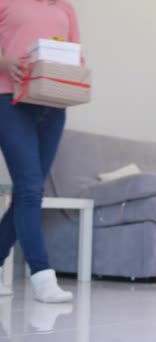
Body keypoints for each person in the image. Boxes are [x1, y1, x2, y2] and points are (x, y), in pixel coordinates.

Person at [0, 0, 83, 303]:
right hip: (9, 100)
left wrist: (76, 75)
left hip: (53, 105)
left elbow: (76, 54)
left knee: (29, 190)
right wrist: (6, 62)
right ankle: (43, 277)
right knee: (30, 188)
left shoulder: (65, 9)